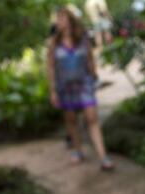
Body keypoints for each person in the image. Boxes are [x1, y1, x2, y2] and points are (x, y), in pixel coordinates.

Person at [46, 7, 114, 170]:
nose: (60, 22)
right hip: (65, 88)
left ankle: (103, 157)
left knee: (92, 118)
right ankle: (78, 150)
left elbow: (90, 58)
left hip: (84, 84)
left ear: (70, 20)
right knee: (71, 120)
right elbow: (50, 68)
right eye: (58, 19)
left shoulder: (82, 39)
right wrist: (53, 90)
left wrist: (94, 75)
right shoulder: (54, 43)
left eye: (63, 18)